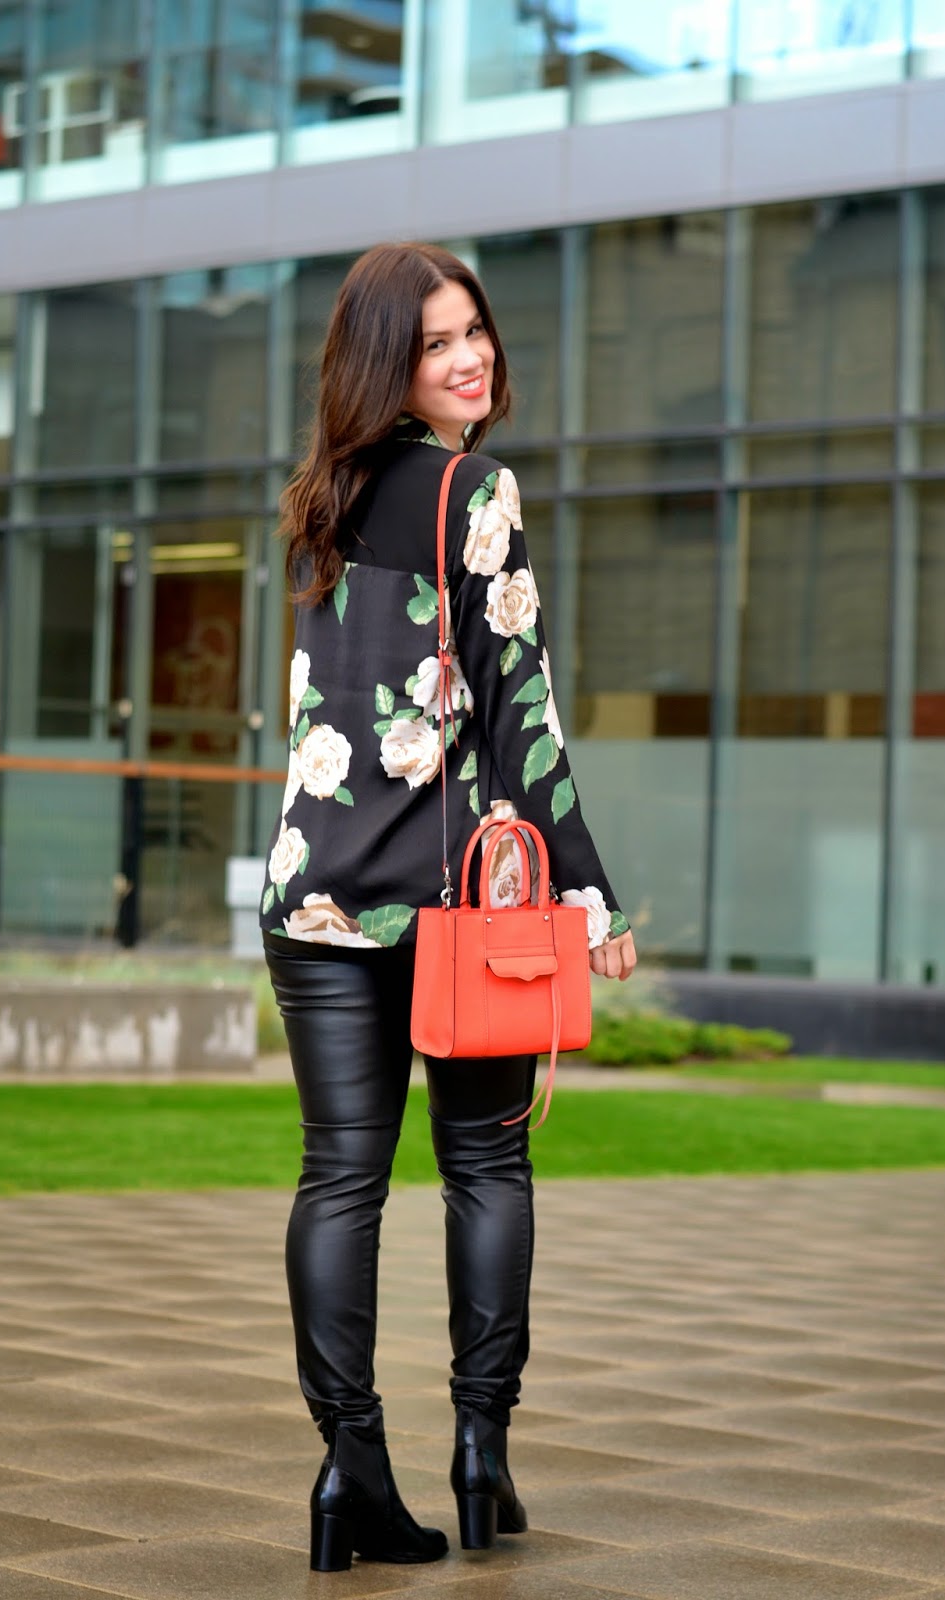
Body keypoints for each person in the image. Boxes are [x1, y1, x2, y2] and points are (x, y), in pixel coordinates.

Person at [260, 241, 636, 1573]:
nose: (469, 357)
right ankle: (481, 1454)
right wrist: (588, 894)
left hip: (312, 892)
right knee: (485, 1167)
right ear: (389, 362)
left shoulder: (319, 497)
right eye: (436, 343)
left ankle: (348, 1470)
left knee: (338, 1179)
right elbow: (522, 710)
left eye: (474, 330)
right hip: (451, 907)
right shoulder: (475, 489)